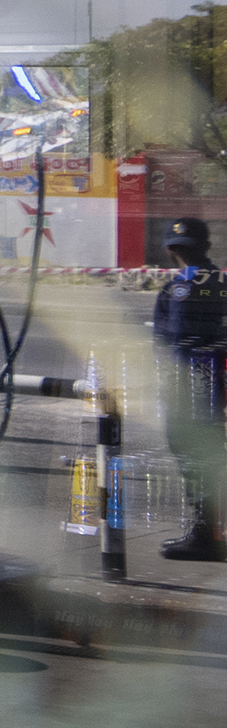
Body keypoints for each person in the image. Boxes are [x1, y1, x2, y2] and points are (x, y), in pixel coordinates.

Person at [153, 218, 227, 561]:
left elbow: (168, 345)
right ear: (207, 248)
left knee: (193, 458)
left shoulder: (177, 288)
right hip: (215, 386)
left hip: (190, 389)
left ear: (170, 250)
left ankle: (204, 536)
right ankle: (209, 532)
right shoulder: (223, 282)